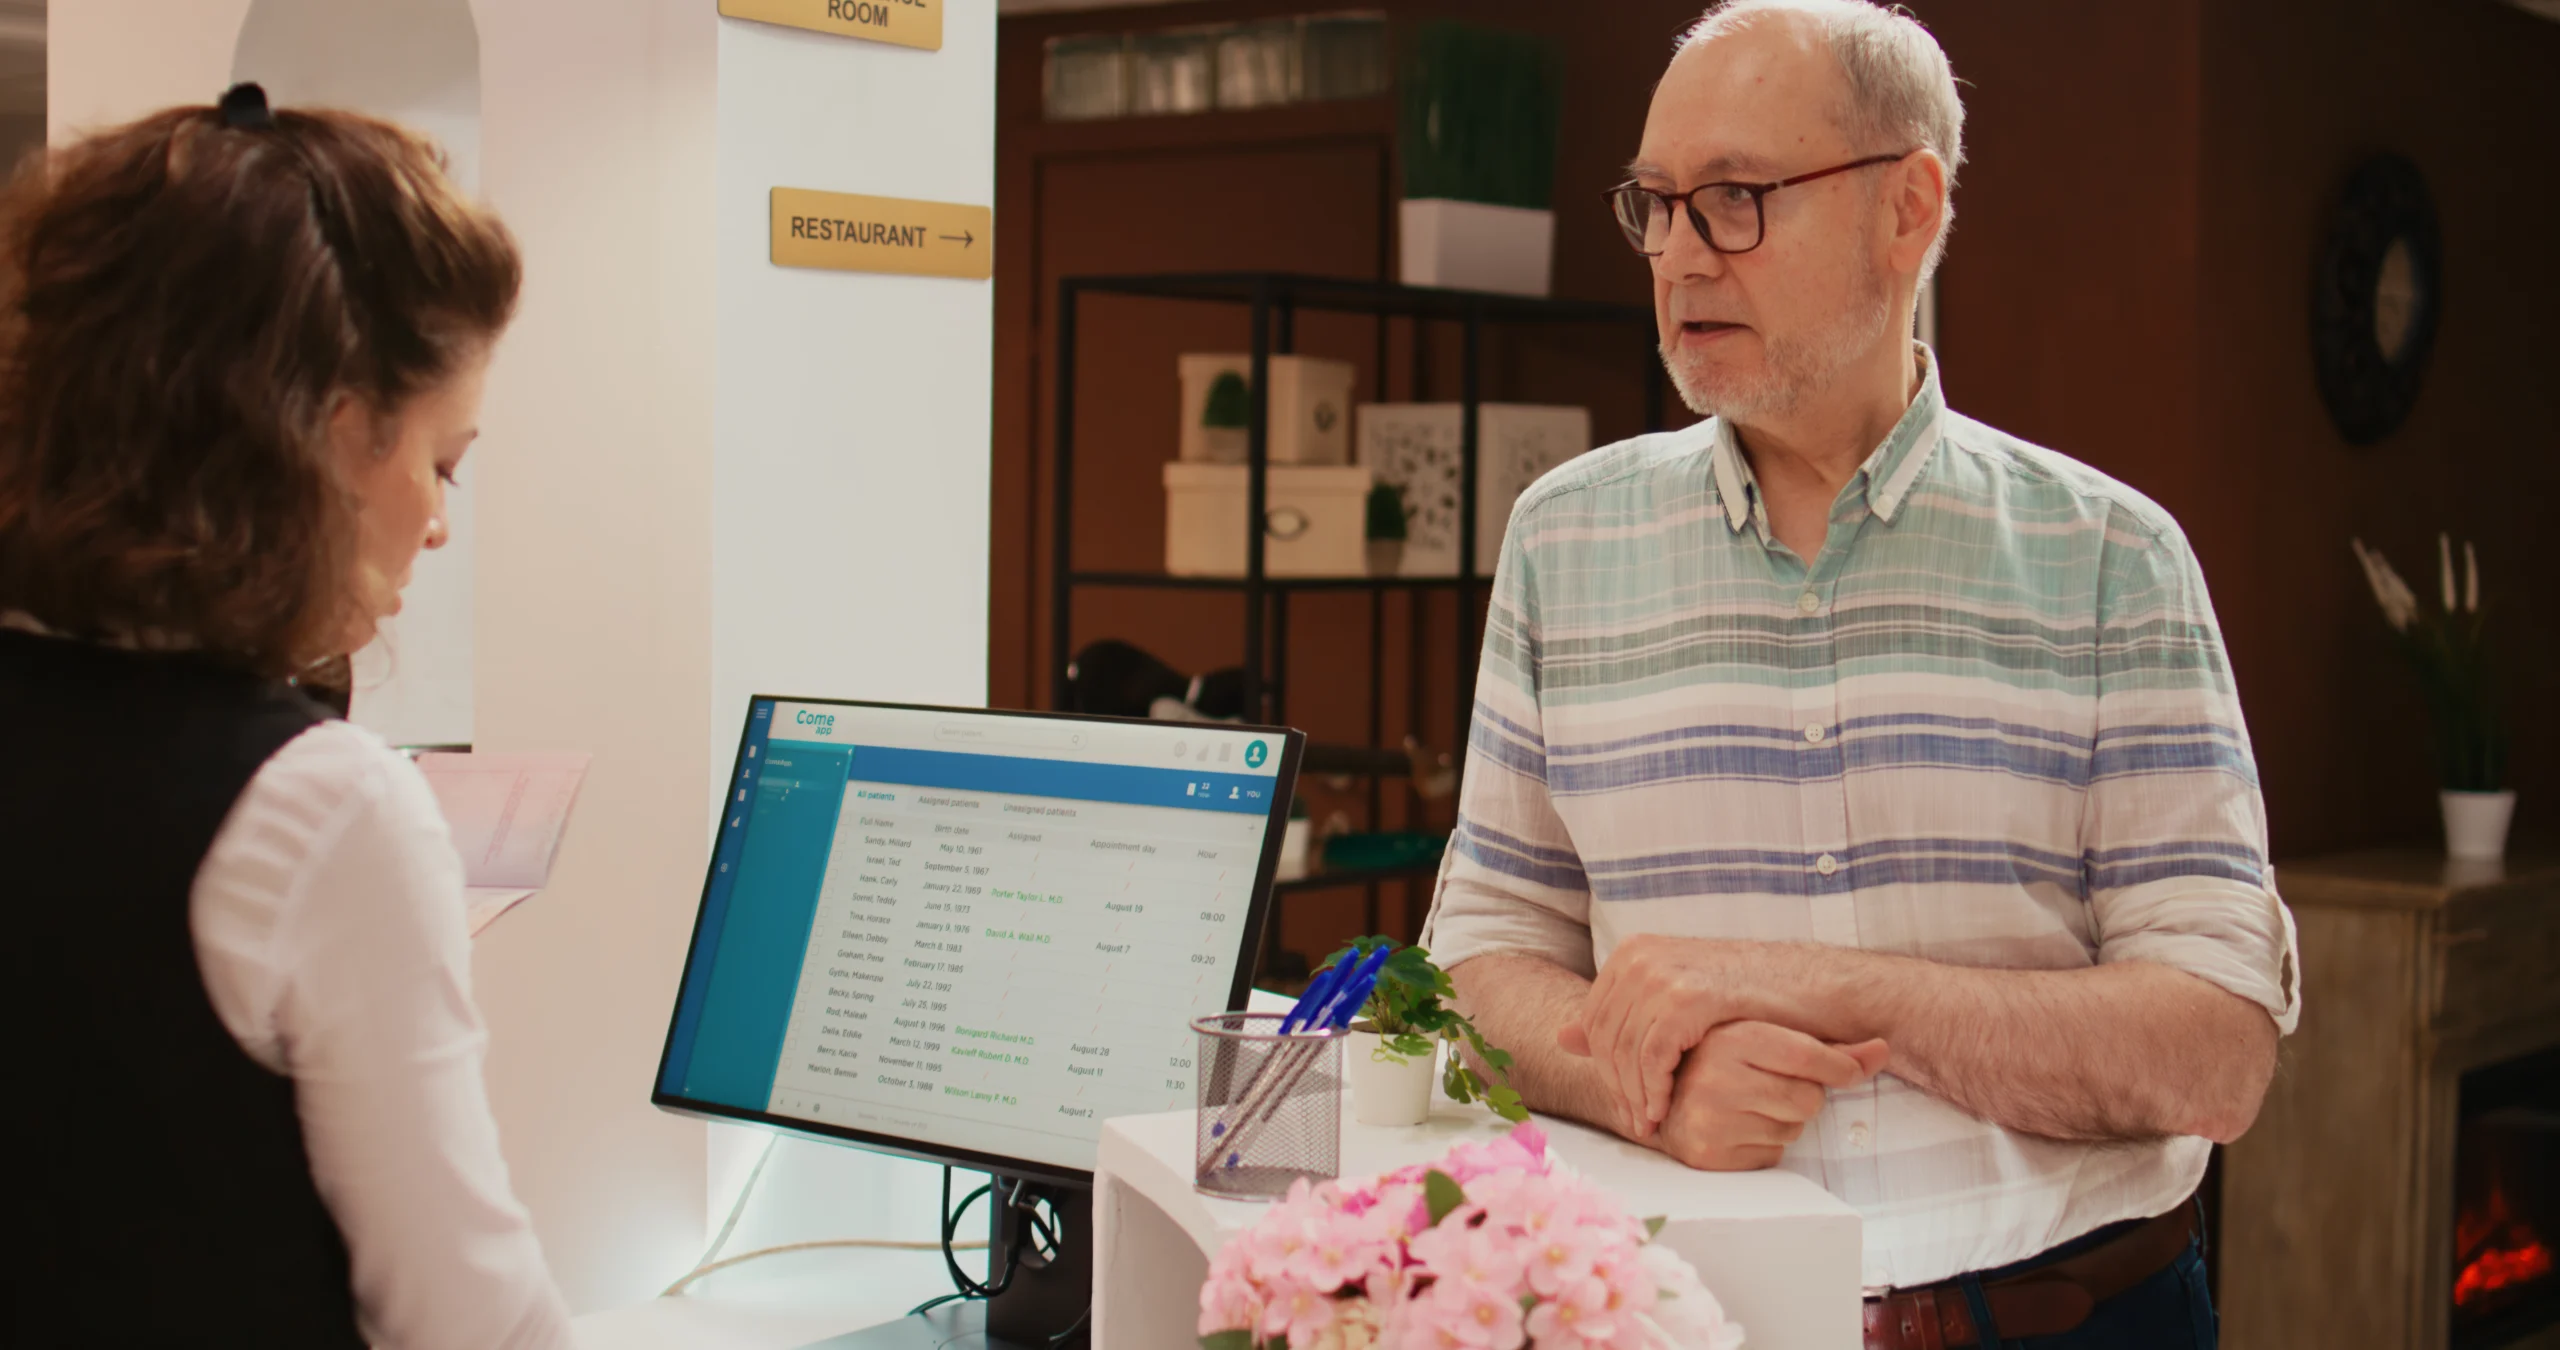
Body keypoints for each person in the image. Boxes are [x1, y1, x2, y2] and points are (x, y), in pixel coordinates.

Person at [1421, 3, 2296, 1346]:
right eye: (1655, 205)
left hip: (2071, 1317)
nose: (1677, 257)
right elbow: (1476, 964)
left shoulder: (2112, 558)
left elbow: (2218, 1052)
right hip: (1683, 1317)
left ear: (1910, 208)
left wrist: (1819, 984)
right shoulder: (1564, 541)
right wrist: (1642, 1083)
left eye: (1732, 199)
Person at [0, 86, 573, 1348]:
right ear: (324, 432)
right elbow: (466, 1320)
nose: (435, 520)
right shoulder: (317, 806)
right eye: (441, 460)